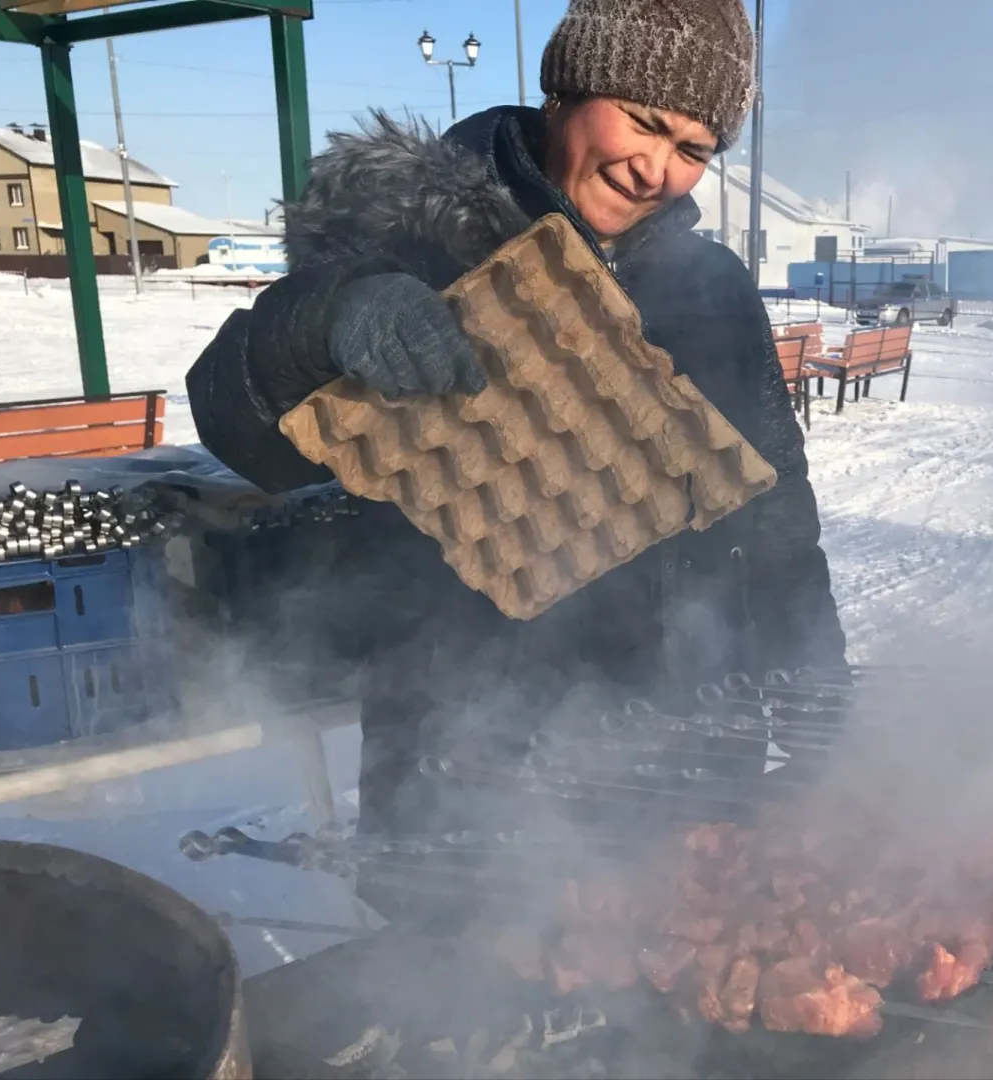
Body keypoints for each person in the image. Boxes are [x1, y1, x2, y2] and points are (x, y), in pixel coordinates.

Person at [184, 0, 848, 901]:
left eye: (694, 150)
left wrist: (815, 678)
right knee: (472, 1015)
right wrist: (325, 322)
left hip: (686, 756)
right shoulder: (414, 238)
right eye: (646, 121)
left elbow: (772, 502)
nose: (657, 169)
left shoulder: (714, 288)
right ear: (567, 86)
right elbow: (238, 424)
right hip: (474, 760)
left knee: (693, 1010)